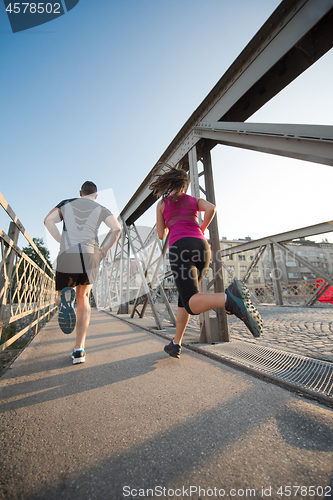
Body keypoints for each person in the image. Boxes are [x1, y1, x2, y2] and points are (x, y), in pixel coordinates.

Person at [149, 166, 263, 358]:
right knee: (185, 300)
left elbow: (161, 235)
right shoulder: (193, 200)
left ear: (169, 183)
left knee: (192, 303)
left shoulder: (162, 204)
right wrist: (201, 227)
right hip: (202, 248)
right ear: (184, 186)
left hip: (180, 249)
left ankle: (229, 299)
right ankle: (175, 343)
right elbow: (211, 208)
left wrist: (169, 223)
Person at [44, 181, 121, 364]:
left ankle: (62, 302)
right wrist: (106, 248)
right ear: (96, 195)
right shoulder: (100, 207)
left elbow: (48, 221)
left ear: (80, 192)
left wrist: (61, 240)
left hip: (68, 252)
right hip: (91, 254)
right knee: (84, 297)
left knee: (62, 294)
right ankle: (79, 350)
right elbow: (117, 228)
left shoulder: (66, 202)